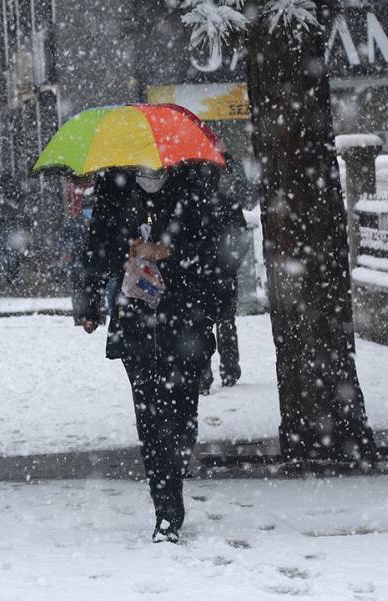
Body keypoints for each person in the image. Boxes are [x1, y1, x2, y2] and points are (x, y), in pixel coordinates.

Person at [74, 165, 224, 544]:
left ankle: (176, 462)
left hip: (185, 318)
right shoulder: (114, 185)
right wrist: (90, 302)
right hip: (137, 319)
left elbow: (214, 247)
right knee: (151, 416)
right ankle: (167, 510)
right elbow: (98, 245)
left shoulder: (193, 181)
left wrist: (167, 251)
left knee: (182, 412)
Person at [199, 191, 249, 394]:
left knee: (202, 324)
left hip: (202, 274)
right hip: (222, 273)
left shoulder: (192, 202)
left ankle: (203, 375)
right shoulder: (228, 203)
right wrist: (230, 265)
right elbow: (241, 238)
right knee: (226, 322)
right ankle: (229, 370)